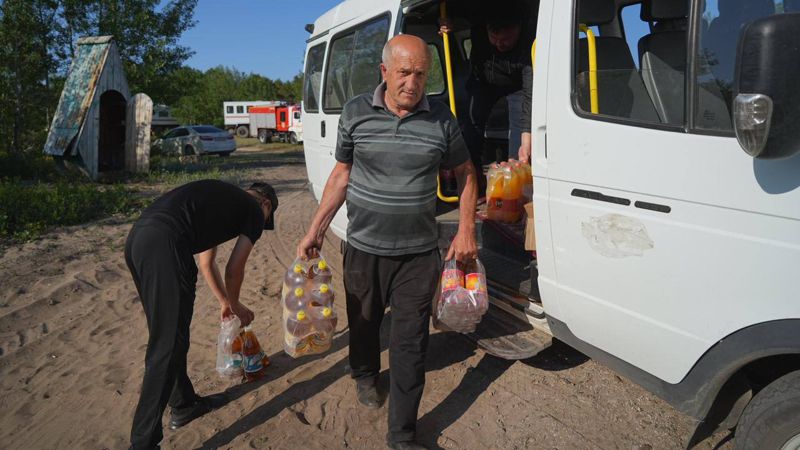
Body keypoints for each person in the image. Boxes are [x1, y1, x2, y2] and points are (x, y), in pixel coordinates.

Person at [296, 35, 478, 450]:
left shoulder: (441, 120)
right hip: (363, 248)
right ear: (384, 71)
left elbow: (467, 173)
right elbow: (342, 173)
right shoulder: (356, 113)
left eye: (420, 74)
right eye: (403, 73)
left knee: (411, 344)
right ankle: (363, 373)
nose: (412, 83)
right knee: (364, 323)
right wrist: (316, 229)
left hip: (418, 254)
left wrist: (466, 228)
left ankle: (402, 434)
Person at [124, 179, 278, 449]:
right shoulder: (254, 209)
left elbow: (207, 262)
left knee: (169, 336)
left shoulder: (220, 198)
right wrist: (238, 305)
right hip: (167, 243)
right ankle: (143, 443)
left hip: (138, 239)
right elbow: (234, 268)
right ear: (266, 204)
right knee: (167, 345)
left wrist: (224, 302)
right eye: (267, 218)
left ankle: (184, 404)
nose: (261, 224)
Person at [440, 0, 535, 169]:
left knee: (521, 128)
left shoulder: (530, 44)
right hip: (483, 82)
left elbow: (529, 91)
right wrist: (447, 23)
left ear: (518, 29)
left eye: (506, 39)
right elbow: (451, 8)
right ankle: (470, 172)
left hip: (518, 86)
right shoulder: (478, 22)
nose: (499, 44)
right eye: (494, 38)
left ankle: (517, 173)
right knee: (471, 120)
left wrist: (526, 140)